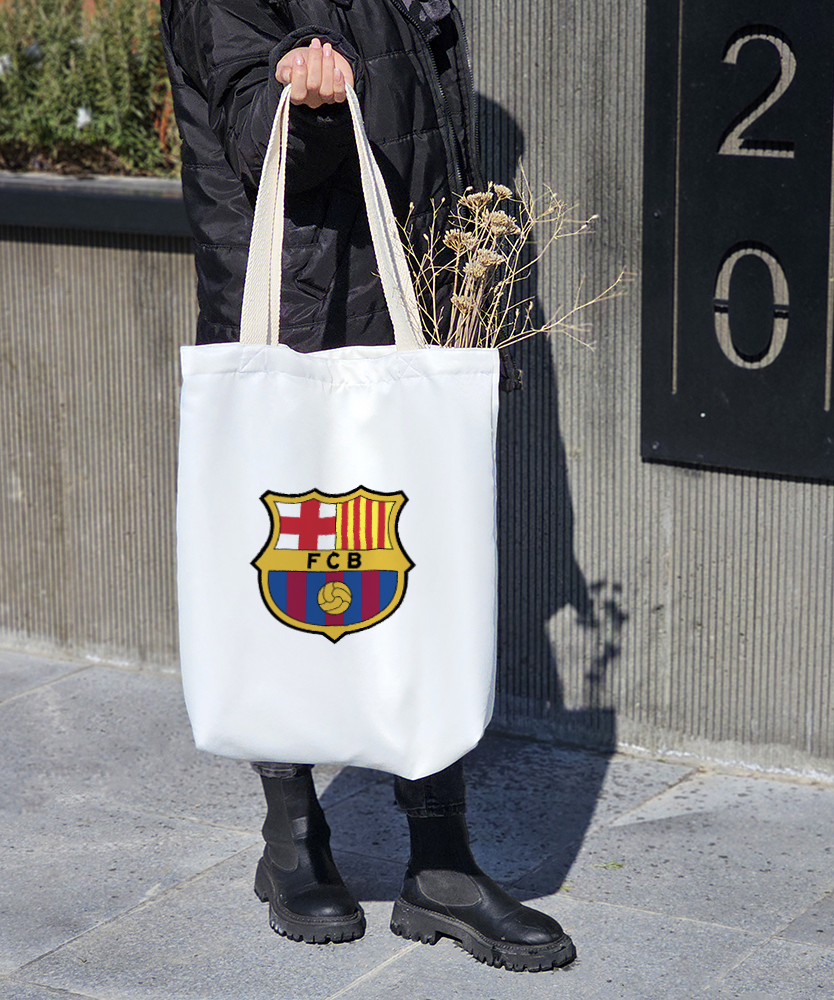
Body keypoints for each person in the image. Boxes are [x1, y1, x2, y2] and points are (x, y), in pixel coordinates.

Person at [159, 0, 575, 973]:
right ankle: (293, 837)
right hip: (298, 302)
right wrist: (301, 105)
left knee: (421, 575)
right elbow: (254, 134)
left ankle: (442, 860)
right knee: (289, 574)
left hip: (400, 299)